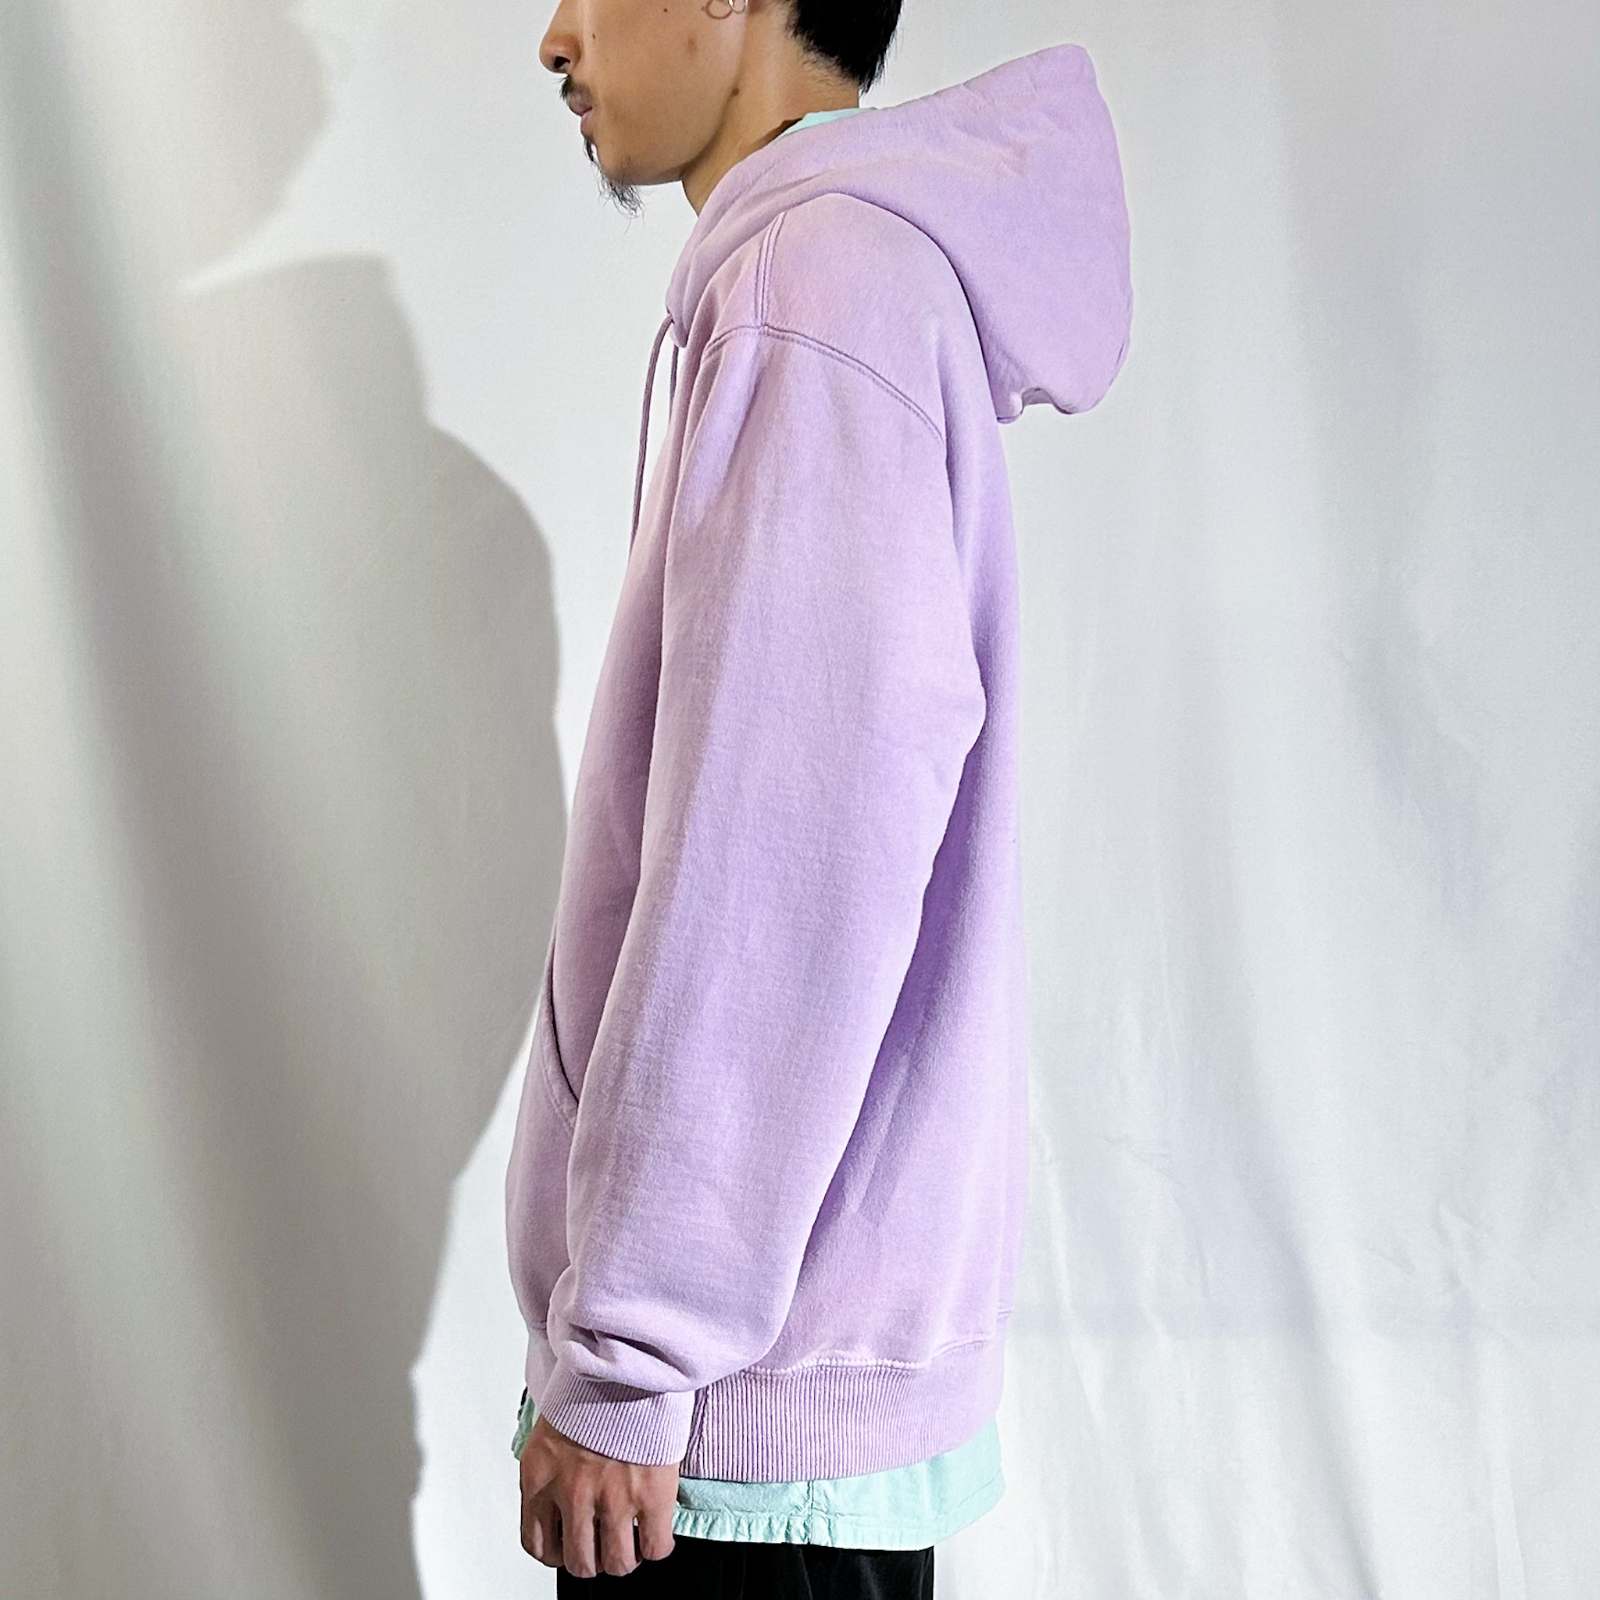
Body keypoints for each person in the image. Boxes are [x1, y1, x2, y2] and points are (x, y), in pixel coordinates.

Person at [506, 0, 1133, 1589]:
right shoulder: (823, 282)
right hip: (754, 1389)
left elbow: (780, 875)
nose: (555, 37)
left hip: (724, 1427)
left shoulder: (817, 290)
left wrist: (631, 1355)